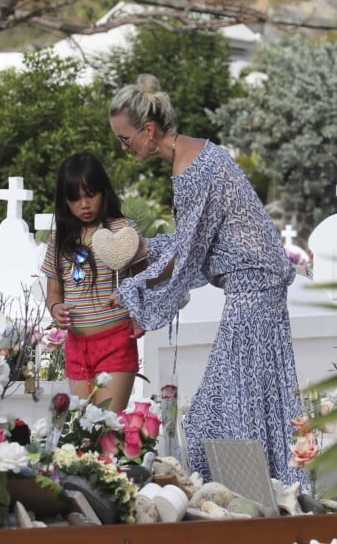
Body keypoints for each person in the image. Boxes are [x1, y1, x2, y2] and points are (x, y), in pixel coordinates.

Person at [106, 73, 306, 487]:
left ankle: (254, 494)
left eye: (125, 139)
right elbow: (192, 243)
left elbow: (188, 256)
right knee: (251, 399)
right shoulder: (200, 153)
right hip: (257, 288)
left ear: (148, 131)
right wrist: (145, 267)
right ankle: (270, 491)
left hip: (254, 291)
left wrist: (136, 298)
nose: (124, 148)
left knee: (219, 410)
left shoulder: (191, 171)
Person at [40, 151, 148, 412]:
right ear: (65, 201)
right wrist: (55, 309)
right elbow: (54, 292)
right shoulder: (60, 240)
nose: (84, 205)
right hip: (77, 346)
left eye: (91, 195)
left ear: (104, 192)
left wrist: (140, 313)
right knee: (83, 431)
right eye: (75, 198)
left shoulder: (124, 231)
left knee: (108, 428)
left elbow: (146, 279)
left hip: (116, 342)